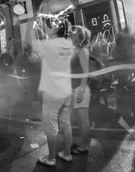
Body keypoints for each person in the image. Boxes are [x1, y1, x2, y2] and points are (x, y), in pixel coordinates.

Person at [33, 17, 74, 167]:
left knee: (51, 126)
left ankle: (51, 158)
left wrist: (31, 26)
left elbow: (27, 43)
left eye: (52, 27)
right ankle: (67, 154)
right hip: (66, 90)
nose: (49, 29)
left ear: (56, 30)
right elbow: (51, 37)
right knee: (66, 123)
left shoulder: (48, 45)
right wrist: (42, 24)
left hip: (52, 91)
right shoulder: (69, 44)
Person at [70, 26, 91, 155]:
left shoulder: (82, 51)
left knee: (83, 119)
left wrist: (81, 91)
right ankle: (82, 142)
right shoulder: (75, 50)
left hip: (80, 88)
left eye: (74, 33)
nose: (71, 35)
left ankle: (84, 146)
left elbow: (85, 72)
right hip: (74, 88)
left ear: (80, 37)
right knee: (78, 118)